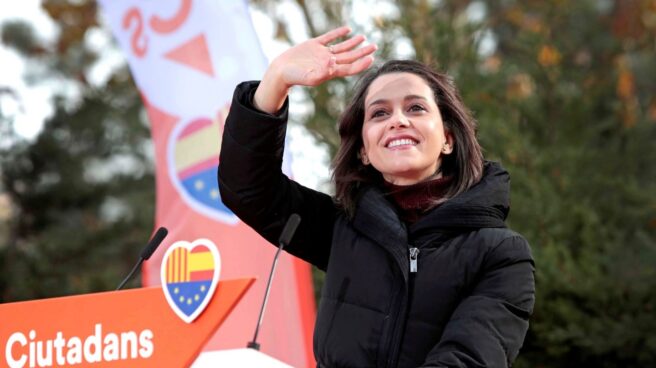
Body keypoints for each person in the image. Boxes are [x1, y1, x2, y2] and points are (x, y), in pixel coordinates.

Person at [218, 26, 535, 368]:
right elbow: (248, 189)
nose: (397, 120)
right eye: (379, 113)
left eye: (415, 108)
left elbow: (468, 360)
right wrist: (275, 81)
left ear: (448, 139)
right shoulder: (345, 225)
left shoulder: (502, 254)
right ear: (365, 151)